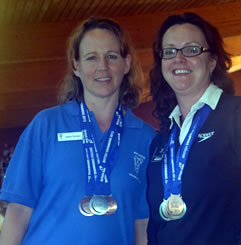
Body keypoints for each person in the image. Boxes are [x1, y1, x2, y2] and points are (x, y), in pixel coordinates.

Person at [0, 17, 155, 245]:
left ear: (127, 63)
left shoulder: (146, 138)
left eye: (111, 56)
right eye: (91, 57)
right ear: (76, 66)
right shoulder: (46, 125)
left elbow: (142, 225)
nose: (102, 66)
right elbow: (19, 211)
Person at [146, 12, 241, 245]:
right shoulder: (162, 140)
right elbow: (156, 223)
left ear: (212, 61)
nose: (178, 59)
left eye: (191, 50)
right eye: (169, 51)